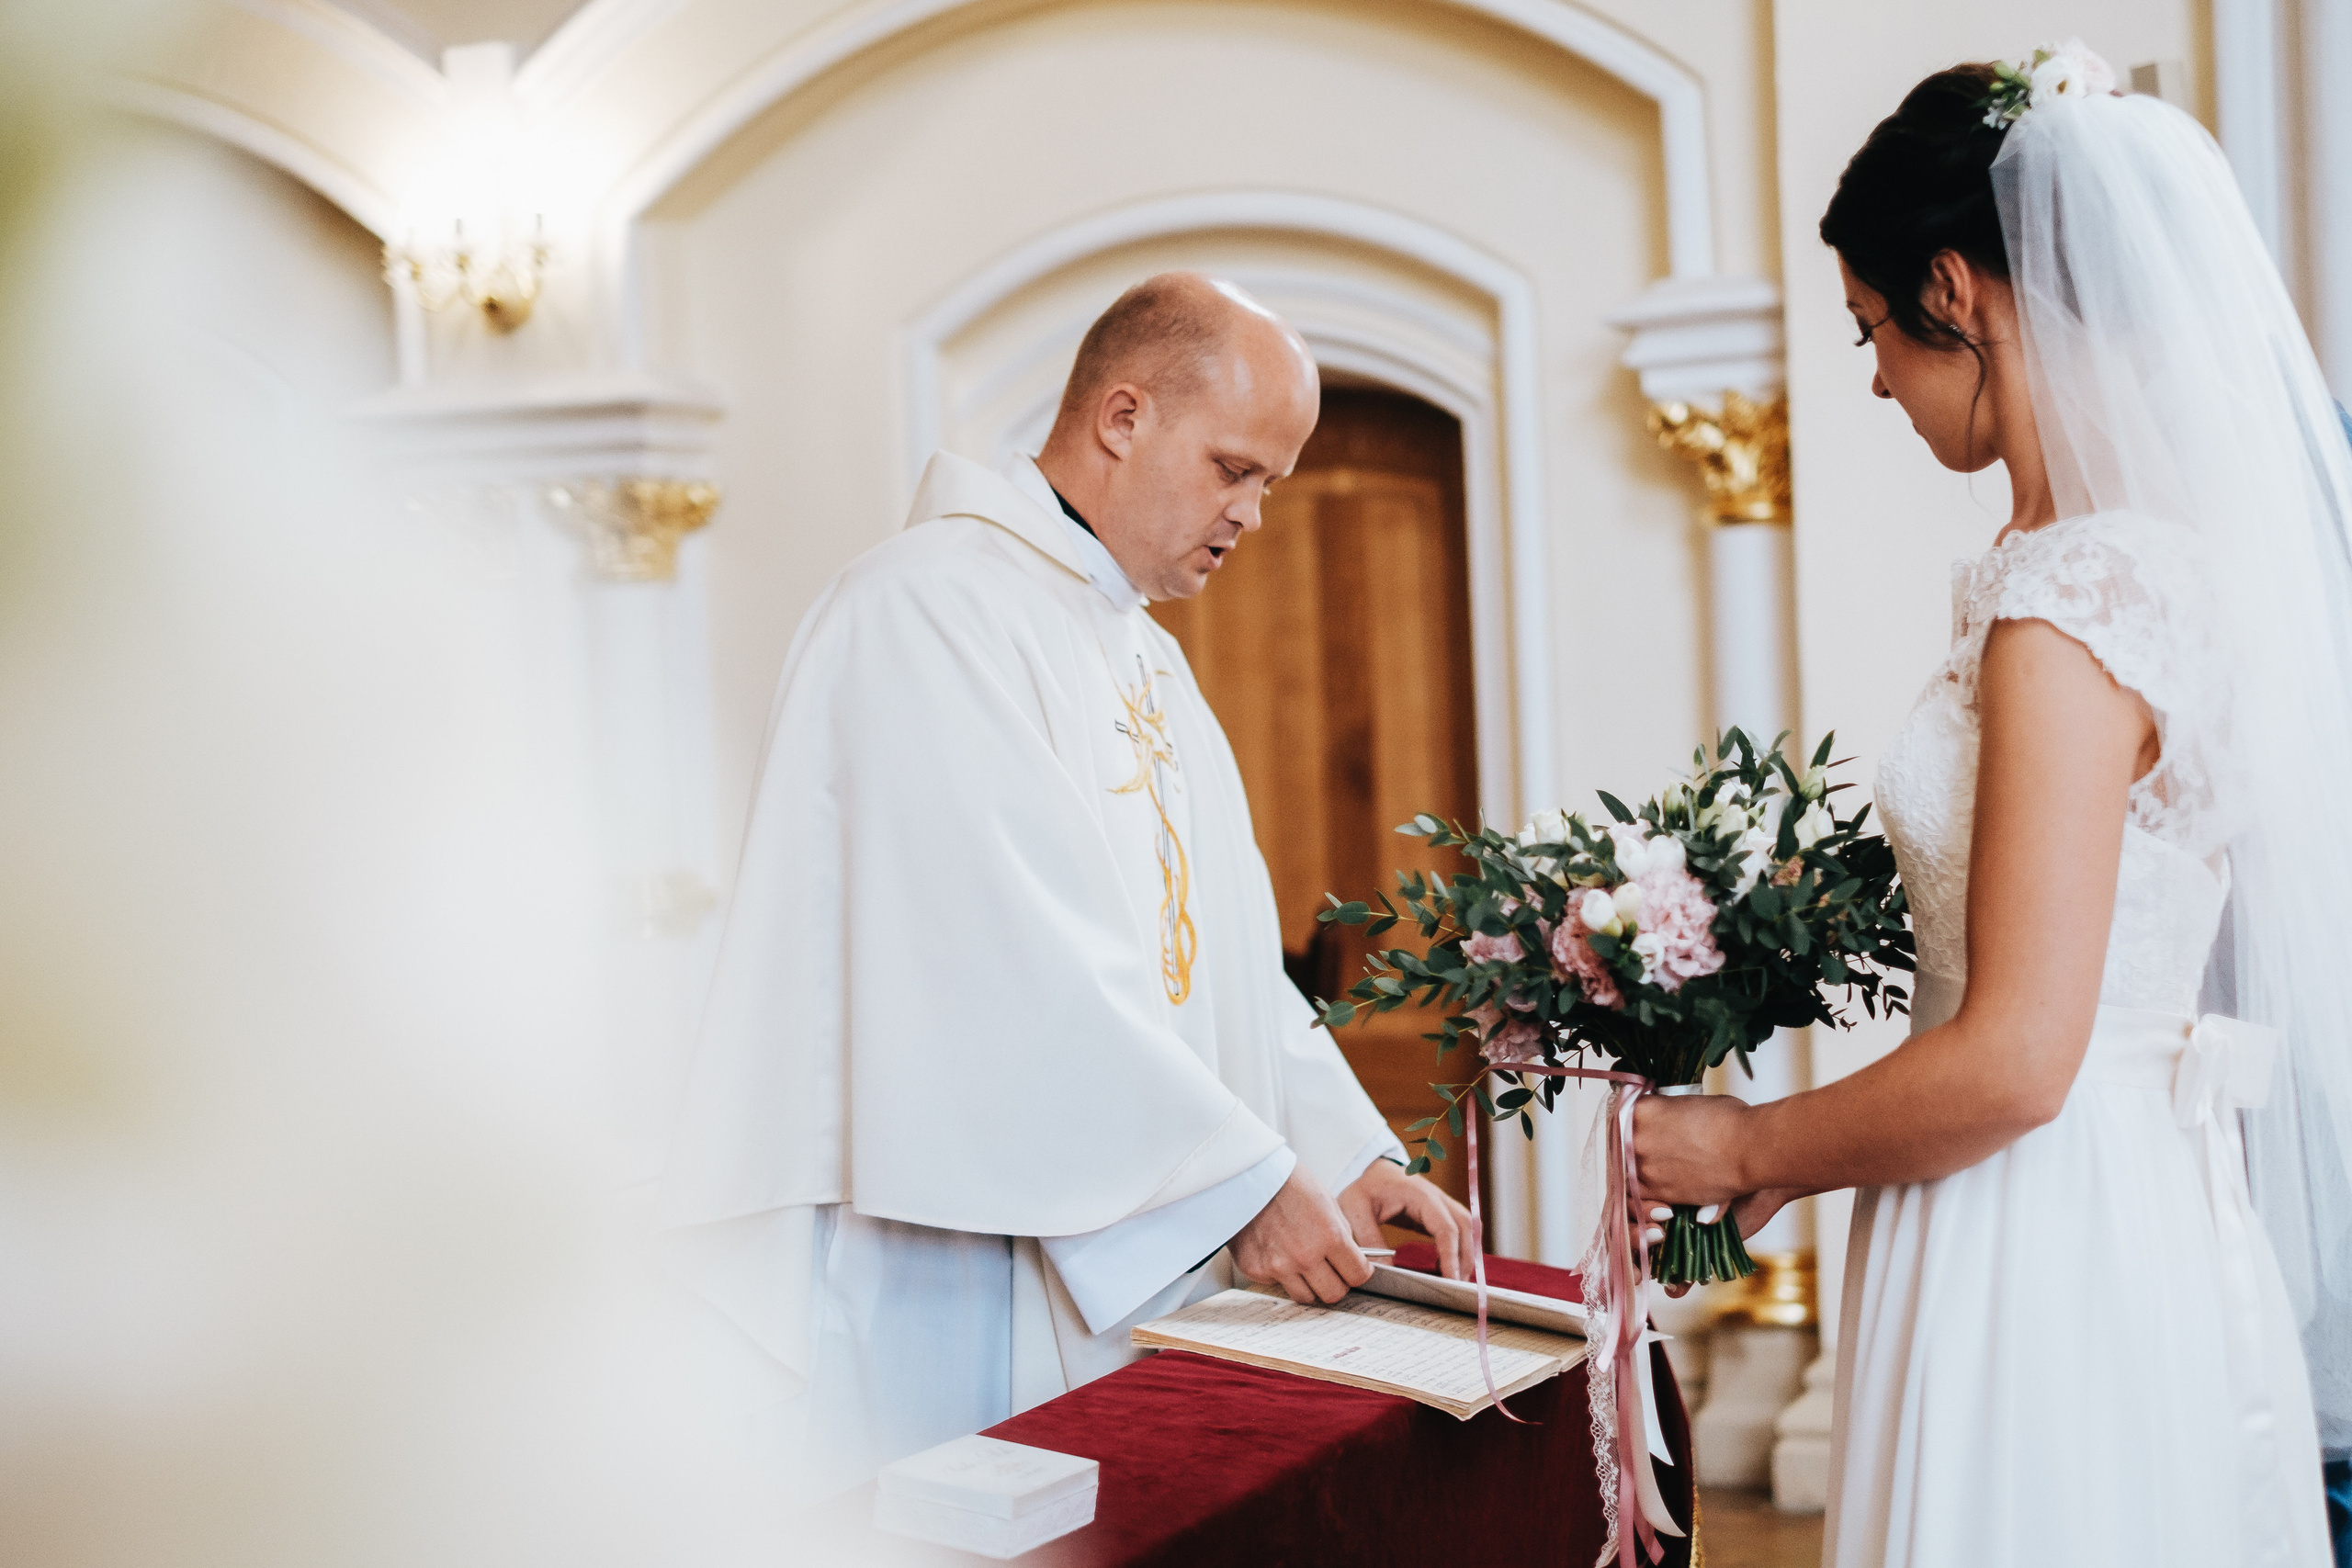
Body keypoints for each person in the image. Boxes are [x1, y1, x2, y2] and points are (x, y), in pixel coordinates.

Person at [1631, 47, 2351, 1566]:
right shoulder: (2125, 566)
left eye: (1875, 331)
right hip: (2102, 1193)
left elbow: (2025, 1055)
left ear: (1955, 290)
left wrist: (1755, 1150)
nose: (1880, 376)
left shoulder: (2073, 604)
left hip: (2042, 1223)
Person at [656, 272, 1473, 1506]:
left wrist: (1337, 1150)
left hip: (1121, 1228)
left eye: (1270, 485)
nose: (1252, 515)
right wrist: (1242, 1184)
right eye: (1235, 470)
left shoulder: (1138, 652)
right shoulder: (926, 611)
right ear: (1124, 417)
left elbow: (1233, 963)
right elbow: (1013, 968)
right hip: (956, 1263)